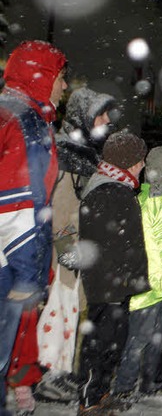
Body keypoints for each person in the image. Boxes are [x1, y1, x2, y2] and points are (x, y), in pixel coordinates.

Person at [32, 86, 115, 404]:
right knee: (59, 309)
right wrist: (69, 255)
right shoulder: (69, 153)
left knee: (68, 312)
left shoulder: (87, 153)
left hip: (76, 250)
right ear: (85, 116)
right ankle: (48, 374)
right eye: (101, 114)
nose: (106, 120)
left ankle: (58, 372)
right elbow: (62, 208)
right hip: (64, 252)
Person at [0, 40, 67, 416]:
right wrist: (28, 274)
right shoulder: (24, 121)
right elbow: (17, 205)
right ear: (40, 78)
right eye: (60, 78)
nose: (63, 87)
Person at [76, 130, 150, 416]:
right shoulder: (109, 191)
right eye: (140, 160)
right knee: (100, 344)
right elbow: (105, 244)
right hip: (107, 286)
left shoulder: (118, 187)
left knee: (112, 343)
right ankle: (89, 399)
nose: (143, 165)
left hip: (116, 285)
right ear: (128, 162)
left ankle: (101, 393)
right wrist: (117, 281)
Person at [113, 146, 162, 399]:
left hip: (161, 286)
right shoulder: (154, 205)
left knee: (156, 337)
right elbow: (158, 250)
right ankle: (124, 385)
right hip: (151, 287)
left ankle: (149, 380)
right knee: (139, 339)